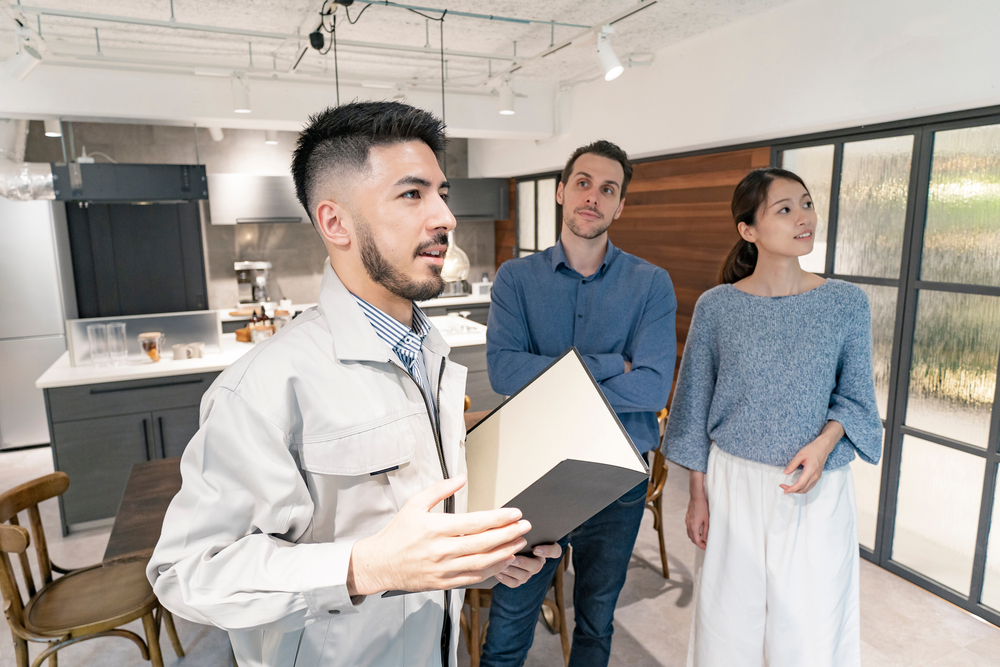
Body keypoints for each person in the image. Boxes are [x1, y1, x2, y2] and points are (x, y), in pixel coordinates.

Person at [147, 101, 560, 667]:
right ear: (335, 222)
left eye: (443, 193)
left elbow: (416, 526)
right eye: (412, 194)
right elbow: (188, 574)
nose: (444, 217)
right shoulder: (263, 385)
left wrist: (473, 559)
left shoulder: (430, 354)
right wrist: (365, 568)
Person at [664, 167, 883, 667]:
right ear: (749, 230)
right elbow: (693, 405)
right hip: (731, 484)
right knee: (728, 629)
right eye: (784, 209)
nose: (804, 218)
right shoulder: (718, 307)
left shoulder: (846, 303)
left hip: (816, 488)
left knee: (808, 631)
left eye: (806, 204)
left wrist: (824, 443)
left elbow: (855, 400)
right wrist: (697, 496)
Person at [481, 140, 678, 667]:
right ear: (563, 192)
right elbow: (504, 371)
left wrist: (553, 376)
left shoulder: (652, 284)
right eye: (584, 183)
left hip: (616, 477)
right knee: (509, 620)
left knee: (596, 620)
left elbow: (655, 389)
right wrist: (616, 364)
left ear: (620, 206)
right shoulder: (516, 279)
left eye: (608, 189)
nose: (594, 197)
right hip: (534, 471)